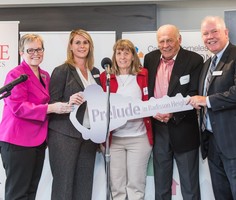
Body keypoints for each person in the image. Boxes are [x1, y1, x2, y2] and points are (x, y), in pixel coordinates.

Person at [188, 16, 236, 200]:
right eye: (205, 34)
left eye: (214, 31)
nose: (210, 37)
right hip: (214, 143)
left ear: (226, 32)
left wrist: (206, 101)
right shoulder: (207, 64)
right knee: (222, 196)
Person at [0, 34, 71, 200]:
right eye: (30, 50)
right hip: (17, 141)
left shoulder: (45, 75)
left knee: (31, 192)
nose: (35, 53)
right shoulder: (16, 74)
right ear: (21, 52)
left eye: (39, 49)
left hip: (38, 141)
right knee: (17, 194)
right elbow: (18, 107)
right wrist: (51, 108)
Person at [143, 24, 203, 200]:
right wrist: (151, 111)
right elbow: (145, 91)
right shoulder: (150, 59)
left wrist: (173, 114)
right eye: (161, 41)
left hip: (184, 129)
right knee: (161, 188)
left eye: (169, 40)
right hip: (158, 130)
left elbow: (194, 93)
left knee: (190, 188)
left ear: (179, 40)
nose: (165, 45)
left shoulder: (194, 60)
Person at [48, 29, 101, 200]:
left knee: (85, 186)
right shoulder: (62, 70)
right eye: (77, 42)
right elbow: (51, 104)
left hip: (88, 136)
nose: (82, 46)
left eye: (85, 42)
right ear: (70, 46)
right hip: (64, 135)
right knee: (63, 186)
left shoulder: (95, 72)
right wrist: (68, 102)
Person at [100, 39, 153, 200]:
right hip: (114, 140)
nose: (122, 57)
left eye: (126, 52)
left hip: (139, 138)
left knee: (136, 187)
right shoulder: (105, 77)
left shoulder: (144, 74)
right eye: (119, 53)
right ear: (114, 56)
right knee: (117, 188)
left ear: (133, 56)